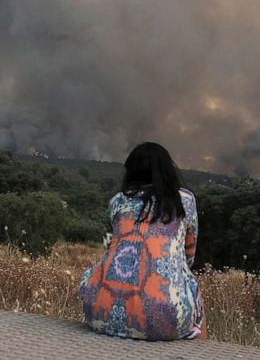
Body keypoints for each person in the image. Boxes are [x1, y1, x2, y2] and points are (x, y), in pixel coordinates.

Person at [79, 142, 205, 341]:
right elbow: (188, 257)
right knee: (192, 287)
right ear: (168, 170)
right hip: (163, 321)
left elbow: (113, 248)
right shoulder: (185, 201)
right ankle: (201, 349)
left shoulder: (117, 201)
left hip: (98, 312)